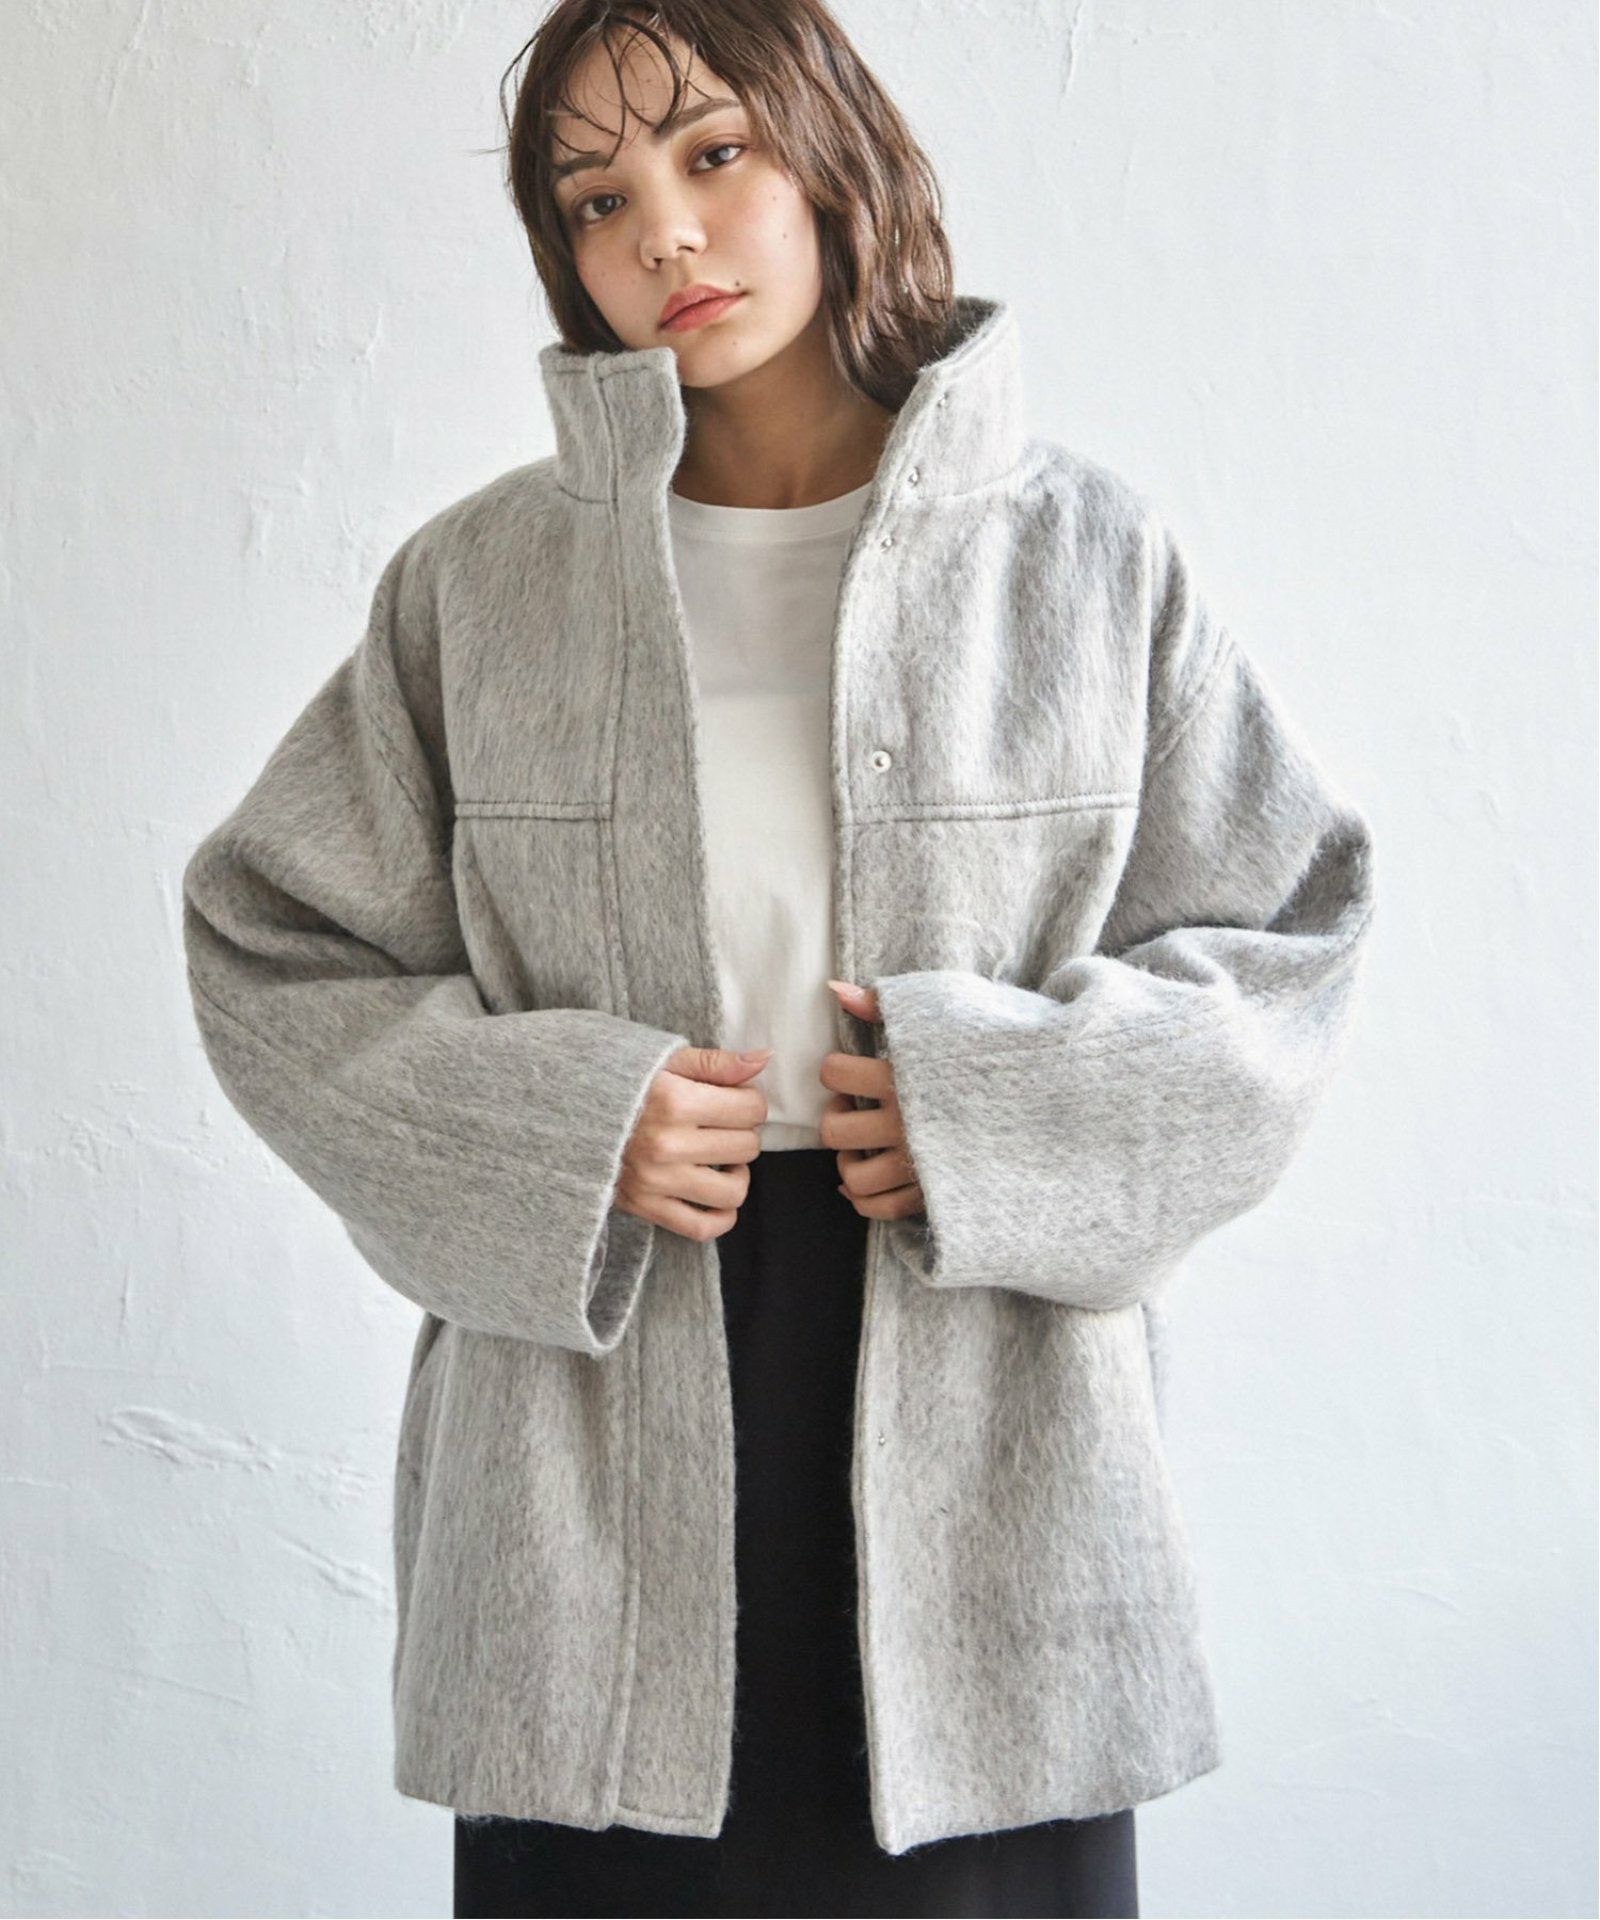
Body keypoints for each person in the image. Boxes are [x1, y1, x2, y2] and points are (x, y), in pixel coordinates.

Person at [181, 3, 1375, 1915]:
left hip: (993, 1429)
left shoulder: (1084, 558)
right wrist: (568, 1125)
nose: (660, 230)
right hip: (591, 1437)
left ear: (832, 153)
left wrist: (991, 1106)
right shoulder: (479, 587)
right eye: (595, 197)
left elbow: (1290, 933)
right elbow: (272, 942)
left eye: (713, 152)